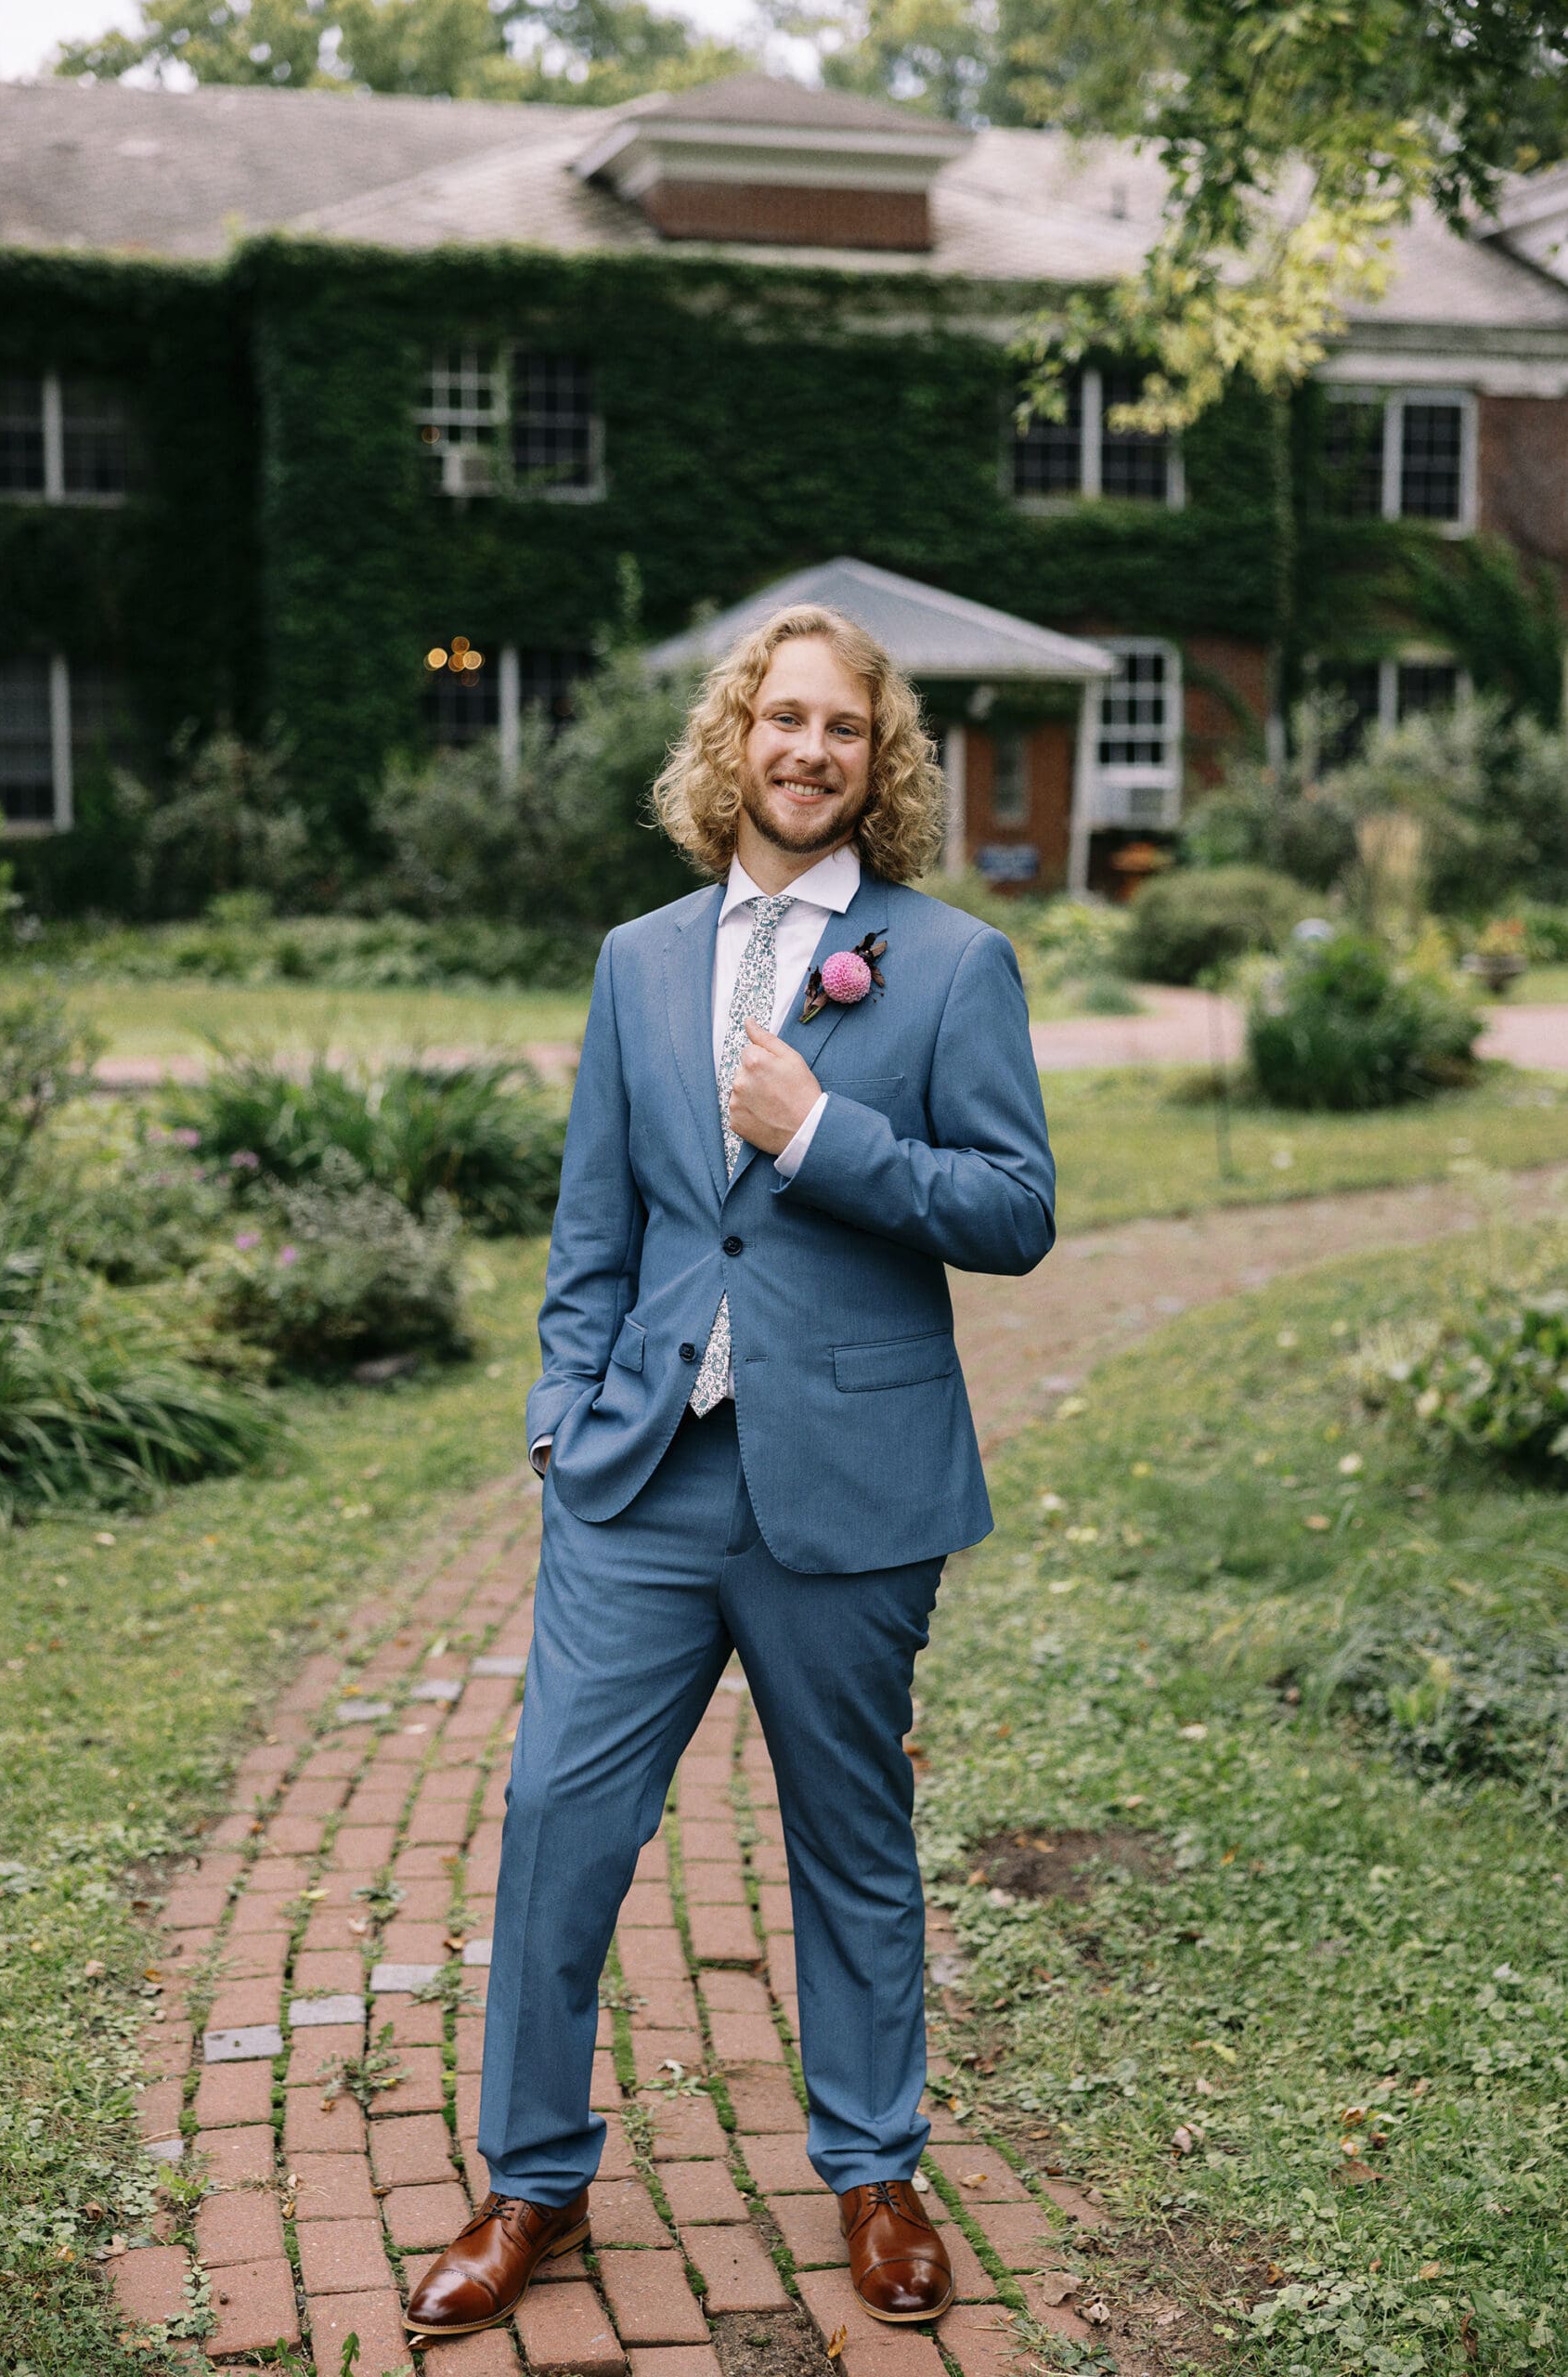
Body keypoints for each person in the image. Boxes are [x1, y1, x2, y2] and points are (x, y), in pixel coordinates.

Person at [405, 604, 1056, 2342]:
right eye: (783, 719)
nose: (809, 751)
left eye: (845, 728)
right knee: (556, 1823)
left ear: (879, 758)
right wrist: (561, 1415)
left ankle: (876, 2173)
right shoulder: (638, 961)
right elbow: (595, 1222)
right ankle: (528, 2182)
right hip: (640, 1477)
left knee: (850, 1839)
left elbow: (1016, 1212)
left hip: (849, 1482)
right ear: (734, 740)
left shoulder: (949, 963)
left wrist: (829, 1138)